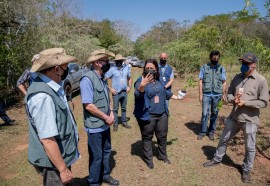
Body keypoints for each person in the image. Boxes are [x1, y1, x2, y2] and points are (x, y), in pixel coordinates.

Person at [203, 53, 269, 183]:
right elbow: (229, 94)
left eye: (247, 63)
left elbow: (264, 102)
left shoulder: (261, 80)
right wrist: (233, 99)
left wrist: (246, 103)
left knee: (250, 147)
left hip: (249, 120)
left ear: (254, 65)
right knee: (223, 139)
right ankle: (217, 159)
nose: (243, 65)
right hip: (234, 117)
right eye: (242, 63)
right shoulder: (236, 78)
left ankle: (246, 170)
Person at [25, 48, 80, 186]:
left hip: (60, 157)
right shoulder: (42, 96)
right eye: (65, 66)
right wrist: (62, 169)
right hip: (53, 164)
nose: (67, 69)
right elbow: (47, 139)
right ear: (56, 69)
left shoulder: (53, 87)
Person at [133, 58, 183, 169]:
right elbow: (138, 93)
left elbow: (164, 92)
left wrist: (177, 97)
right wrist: (143, 84)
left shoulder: (158, 79)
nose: (150, 70)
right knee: (147, 137)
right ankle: (149, 159)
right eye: (147, 68)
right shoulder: (140, 80)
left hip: (162, 114)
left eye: (152, 68)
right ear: (144, 69)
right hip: (148, 115)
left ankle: (162, 156)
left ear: (156, 69)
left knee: (162, 136)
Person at [80, 49, 119, 186]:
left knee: (106, 151)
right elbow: (88, 105)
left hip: (105, 124)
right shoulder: (87, 79)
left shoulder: (102, 77)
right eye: (106, 61)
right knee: (96, 157)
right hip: (95, 126)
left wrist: (112, 112)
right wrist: (106, 117)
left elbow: (106, 97)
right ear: (97, 62)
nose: (109, 63)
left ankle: (105, 175)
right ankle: (94, 182)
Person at [198, 50, 227, 140]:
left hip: (217, 95)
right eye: (214, 57)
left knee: (215, 113)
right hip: (206, 94)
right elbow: (200, 81)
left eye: (217, 58)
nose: (216, 59)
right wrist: (200, 95)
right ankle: (203, 132)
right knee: (204, 113)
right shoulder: (204, 67)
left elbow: (224, 82)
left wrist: (224, 94)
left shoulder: (221, 68)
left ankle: (211, 132)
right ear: (211, 57)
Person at [105, 54, 132, 132]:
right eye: (117, 61)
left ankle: (124, 122)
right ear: (115, 61)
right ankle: (115, 124)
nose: (119, 62)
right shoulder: (112, 69)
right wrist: (110, 89)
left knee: (124, 108)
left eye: (120, 61)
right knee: (115, 109)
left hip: (124, 92)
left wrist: (129, 86)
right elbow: (103, 79)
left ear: (122, 61)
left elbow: (129, 78)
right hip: (116, 93)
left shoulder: (126, 68)